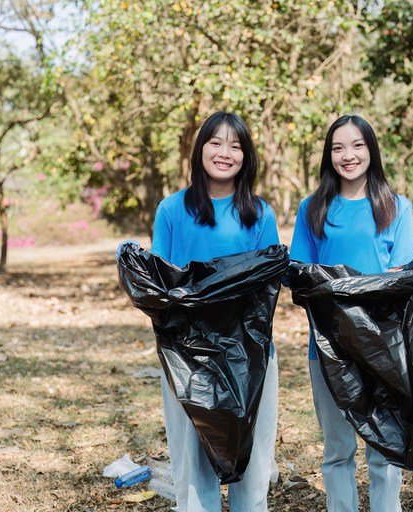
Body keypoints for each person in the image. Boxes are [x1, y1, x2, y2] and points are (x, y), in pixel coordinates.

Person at [150, 111, 280, 511]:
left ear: (246, 156)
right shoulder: (172, 211)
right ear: (200, 148)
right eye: (216, 142)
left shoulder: (259, 215)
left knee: (253, 465)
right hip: (187, 357)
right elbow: (160, 286)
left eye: (235, 145)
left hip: (250, 355)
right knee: (193, 468)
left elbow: (269, 282)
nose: (225, 153)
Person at [290, 115, 413, 512]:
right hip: (328, 348)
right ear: (329, 156)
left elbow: (404, 275)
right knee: (337, 450)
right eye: (338, 147)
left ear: (371, 150)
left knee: (384, 449)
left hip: (382, 348)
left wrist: (351, 286)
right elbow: (298, 274)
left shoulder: (396, 206)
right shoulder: (313, 209)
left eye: (358, 145)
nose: (349, 155)